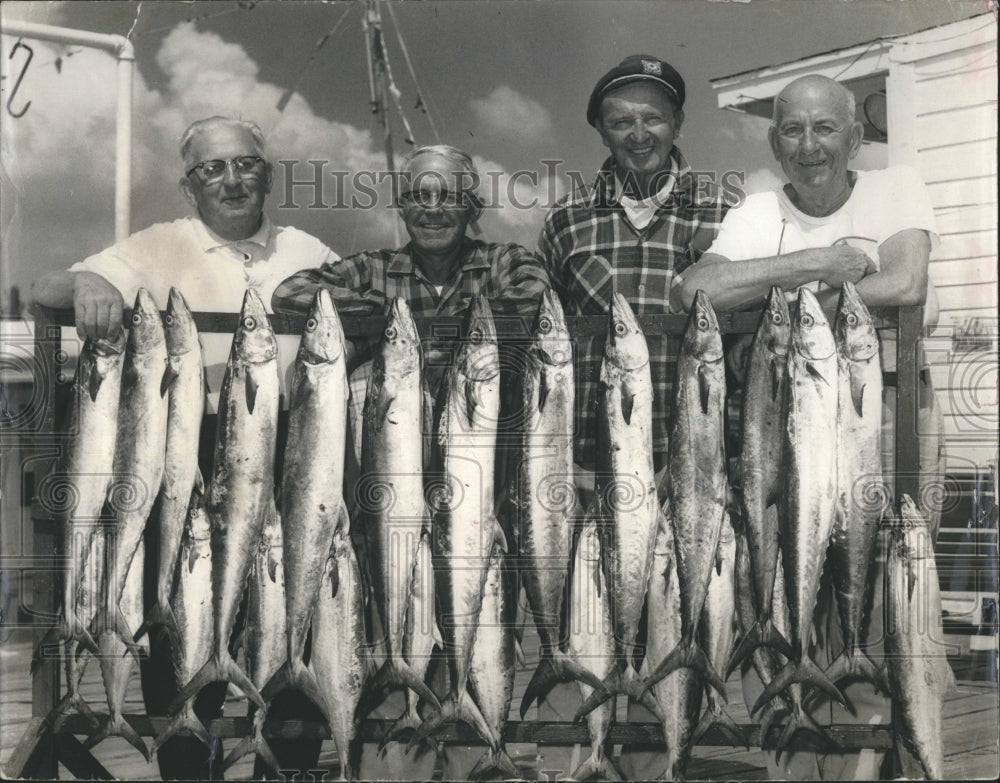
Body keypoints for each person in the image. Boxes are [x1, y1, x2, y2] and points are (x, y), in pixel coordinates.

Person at [32, 116, 339, 781]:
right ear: (189, 183)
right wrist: (90, 284)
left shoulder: (308, 249)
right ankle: (185, 757)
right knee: (177, 628)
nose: (230, 179)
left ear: (268, 173)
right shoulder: (158, 245)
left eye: (245, 164)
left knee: (287, 627)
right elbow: (46, 291)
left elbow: (365, 310)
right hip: (179, 451)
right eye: (211, 168)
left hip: (290, 452)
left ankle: (282, 758)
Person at [678, 73, 942, 780]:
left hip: (881, 417)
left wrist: (786, 293)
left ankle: (894, 756)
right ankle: (800, 754)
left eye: (825, 128)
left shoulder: (897, 187)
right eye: (792, 129)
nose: (809, 144)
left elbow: (906, 282)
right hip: (790, 420)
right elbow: (695, 288)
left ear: (855, 137)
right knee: (796, 593)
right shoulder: (761, 208)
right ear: (774, 140)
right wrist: (821, 266)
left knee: (892, 590)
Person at [273, 143, 550, 781]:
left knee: (478, 631)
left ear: (471, 204)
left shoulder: (506, 261)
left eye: (447, 195)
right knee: (386, 633)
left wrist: (395, 330)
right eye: (419, 196)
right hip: (388, 502)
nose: (432, 209)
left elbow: (527, 302)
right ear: (402, 207)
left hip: (478, 498)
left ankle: (482, 748)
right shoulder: (373, 268)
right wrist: (384, 315)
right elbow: (293, 296)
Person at [537, 54, 729, 780]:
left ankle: (662, 764)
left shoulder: (724, 212)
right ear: (599, 130)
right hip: (590, 469)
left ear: (678, 123)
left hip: (690, 472)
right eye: (621, 120)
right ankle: (575, 763)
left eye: (653, 116)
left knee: (672, 630)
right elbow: (544, 343)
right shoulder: (564, 223)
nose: (638, 132)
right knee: (578, 631)